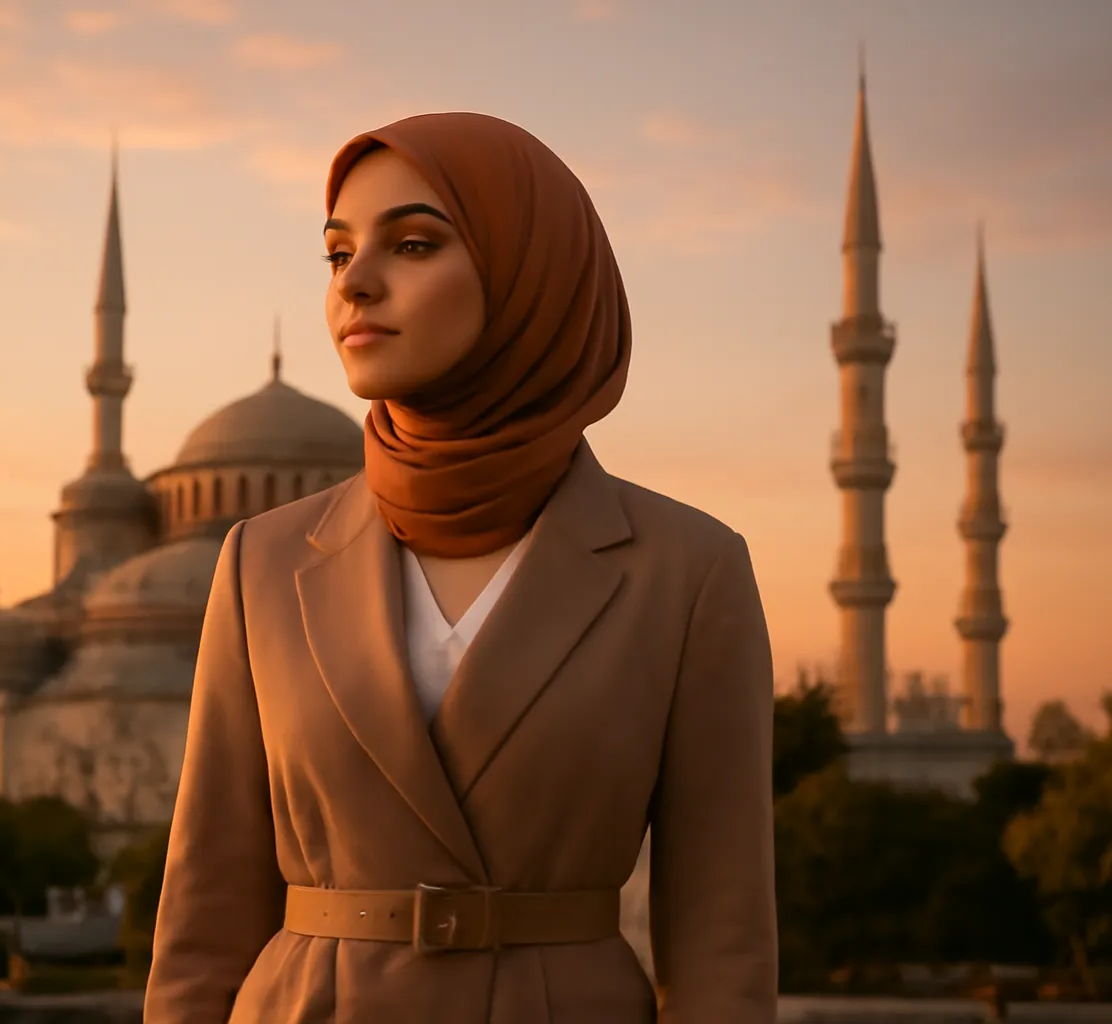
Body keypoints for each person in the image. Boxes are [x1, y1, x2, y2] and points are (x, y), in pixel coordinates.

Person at [144, 111, 777, 1023]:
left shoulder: (687, 572)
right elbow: (205, 914)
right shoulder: (264, 561)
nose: (355, 283)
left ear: (532, 276)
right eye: (335, 254)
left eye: (411, 244)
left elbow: (724, 942)